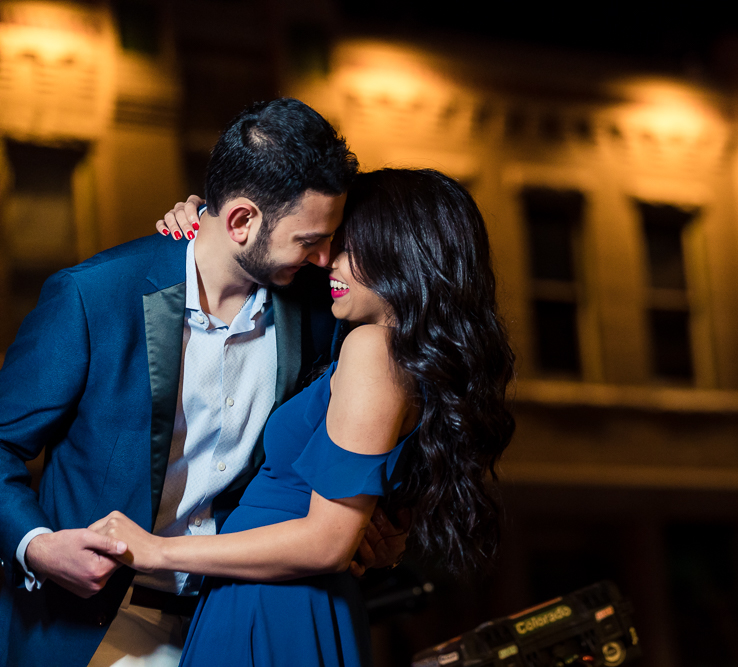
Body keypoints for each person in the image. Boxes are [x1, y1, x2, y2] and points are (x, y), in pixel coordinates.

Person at [0, 99, 404, 667]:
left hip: (239, 613)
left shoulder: (319, 312)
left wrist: (385, 525)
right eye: (308, 239)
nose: (323, 258)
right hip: (89, 626)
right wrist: (37, 546)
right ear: (241, 220)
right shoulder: (94, 297)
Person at [89, 168, 517, 667]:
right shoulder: (407, 358)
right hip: (281, 597)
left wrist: (154, 551)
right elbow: (362, 533)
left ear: (401, 251)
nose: (329, 262)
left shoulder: (373, 349)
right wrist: (209, 220)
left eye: (348, 247)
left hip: (274, 602)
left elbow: (326, 542)